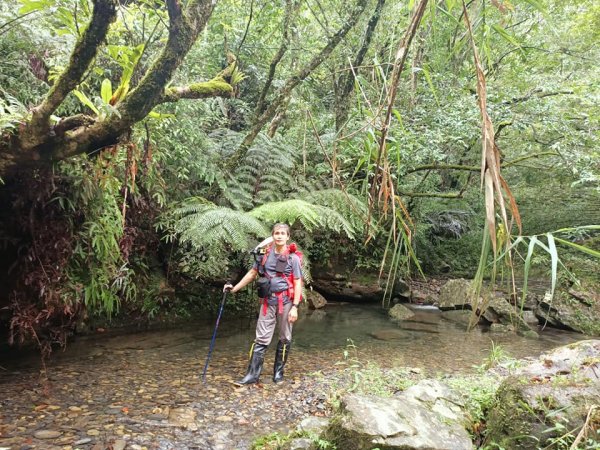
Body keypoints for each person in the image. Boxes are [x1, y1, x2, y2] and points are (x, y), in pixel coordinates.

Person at [224, 223, 302, 385]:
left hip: (286, 302)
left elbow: (297, 282)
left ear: (288, 237)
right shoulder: (264, 255)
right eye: (276, 233)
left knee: (285, 337)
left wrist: (295, 307)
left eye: (282, 233)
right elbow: (252, 274)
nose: (279, 236)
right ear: (272, 236)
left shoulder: (293, 259)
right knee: (261, 338)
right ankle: (252, 375)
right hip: (267, 302)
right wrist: (234, 289)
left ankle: (278, 375)